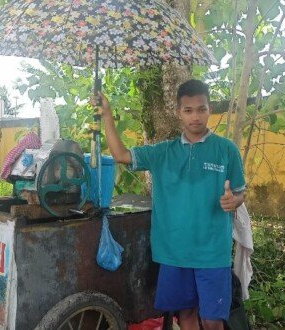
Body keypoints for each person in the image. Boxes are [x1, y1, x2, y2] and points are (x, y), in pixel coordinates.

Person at [92, 79, 246, 330]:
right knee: (185, 314)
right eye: (188, 110)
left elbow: (241, 192)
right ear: (179, 113)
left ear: (209, 110)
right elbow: (121, 155)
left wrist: (234, 201)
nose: (195, 117)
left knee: (212, 320)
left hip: (213, 252)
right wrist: (107, 113)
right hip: (175, 252)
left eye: (201, 109)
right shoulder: (163, 153)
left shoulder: (226, 150)